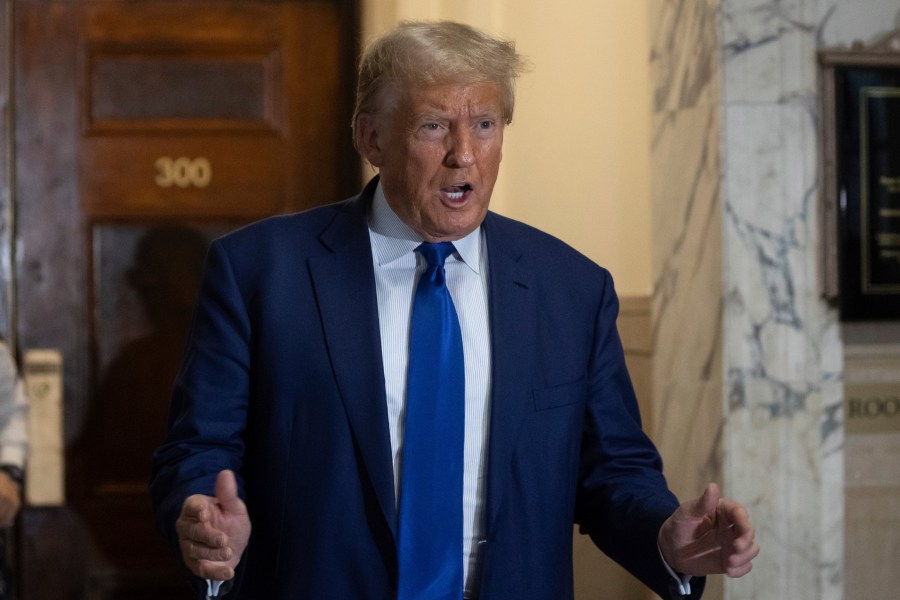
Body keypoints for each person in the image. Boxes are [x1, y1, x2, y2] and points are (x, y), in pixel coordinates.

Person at [150, 20, 759, 600]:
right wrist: (202, 519)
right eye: (435, 127)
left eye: (486, 124)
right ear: (372, 139)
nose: (464, 154)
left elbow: (614, 472)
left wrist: (664, 538)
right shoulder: (260, 272)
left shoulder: (570, 289)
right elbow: (198, 450)